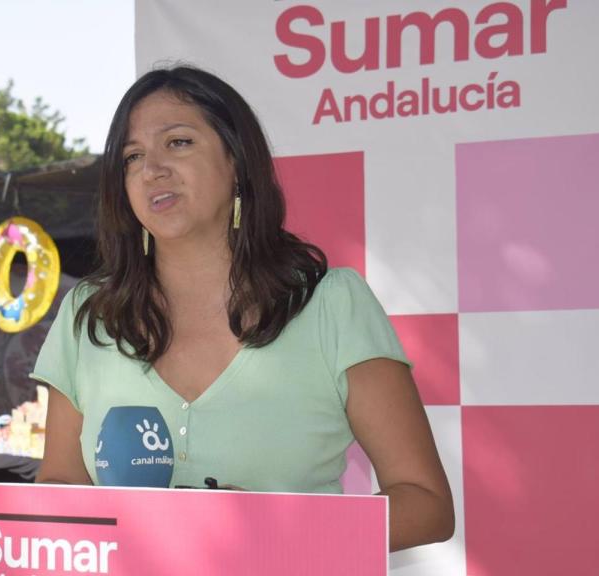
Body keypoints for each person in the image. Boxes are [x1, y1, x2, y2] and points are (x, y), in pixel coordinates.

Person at [31, 65, 454, 552]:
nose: (153, 170)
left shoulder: (332, 304)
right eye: (132, 157)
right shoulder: (89, 315)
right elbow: (60, 486)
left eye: (179, 142)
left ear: (236, 162)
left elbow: (426, 505)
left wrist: (273, 531)